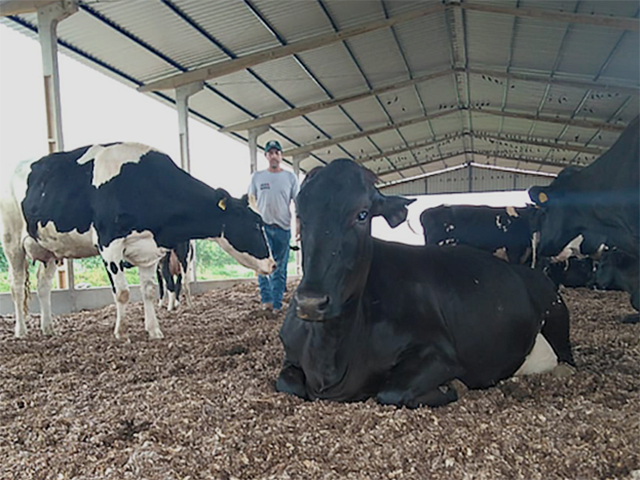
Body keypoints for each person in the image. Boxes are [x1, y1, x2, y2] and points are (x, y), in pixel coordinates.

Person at [248, 140, 300, 313]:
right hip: (263, 228)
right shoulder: (257, 177)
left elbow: (298, 202)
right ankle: (267, 300)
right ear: (266, 156)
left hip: (283, 227)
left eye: (277, 152)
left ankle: (277, 304)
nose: (274, 156)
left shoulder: (290, 177)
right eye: (270, 153)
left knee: (280, 267)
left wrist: (298, 225)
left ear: (281, 156)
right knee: (262, 265)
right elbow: (250, 200)